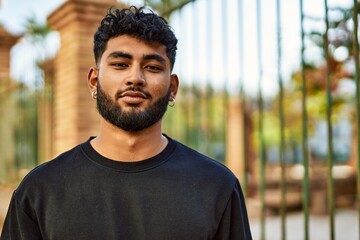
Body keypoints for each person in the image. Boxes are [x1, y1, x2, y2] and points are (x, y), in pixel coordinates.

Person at [1, 6, 252, 240]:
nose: (135, 77)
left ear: (172, 87)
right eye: (120, 64)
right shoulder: (38, 192)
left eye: (152, 67)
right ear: (93, 81)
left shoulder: (217, 186)